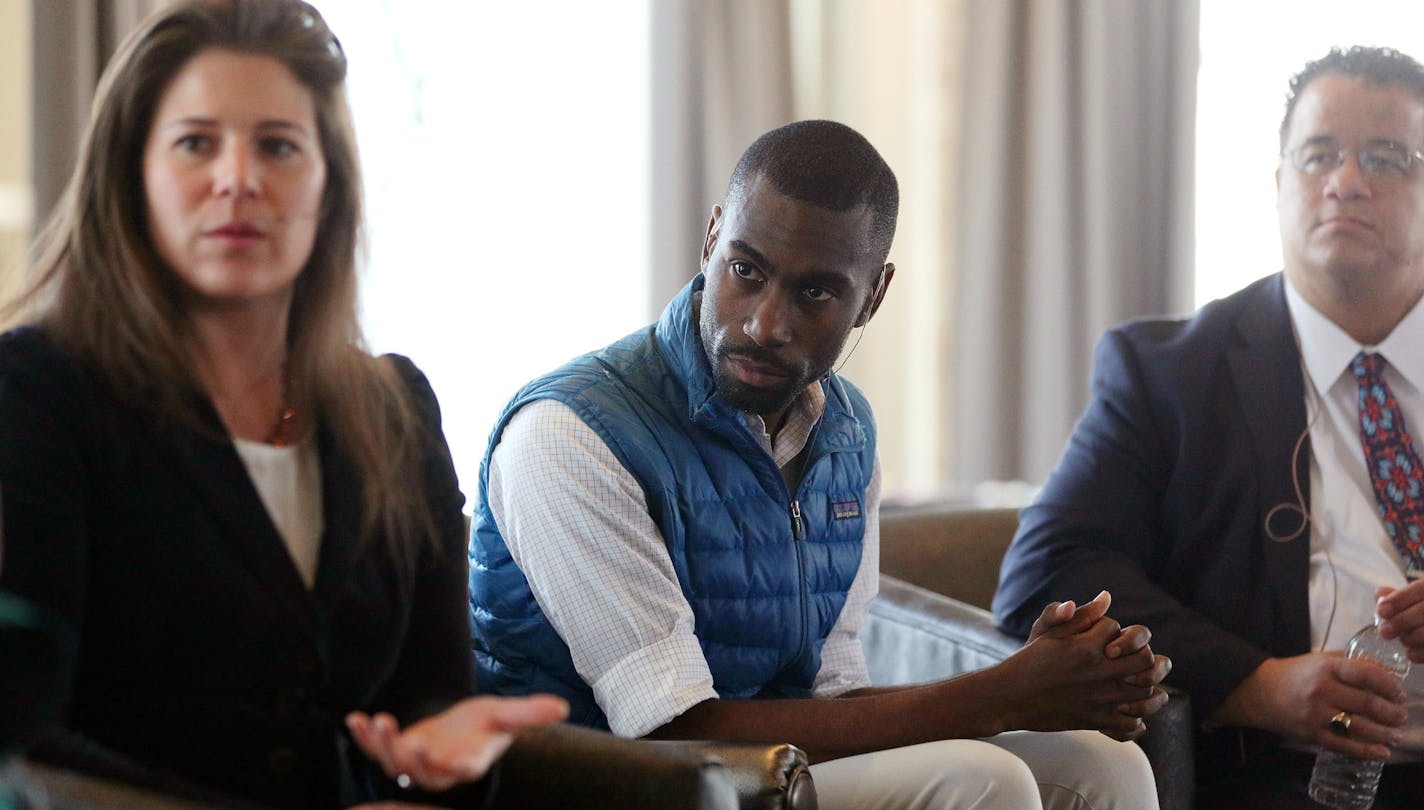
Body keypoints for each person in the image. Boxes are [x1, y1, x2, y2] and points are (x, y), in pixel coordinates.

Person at [470, 119, 1171, 809]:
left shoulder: (846, 431)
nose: (764, 324)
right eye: (746, 271)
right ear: (712, 237)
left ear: (872, 296)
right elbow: (672, 728)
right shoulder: (570, 434)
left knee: (1101, 764)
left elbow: (833, 696)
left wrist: (1037, 687)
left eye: (815, 293)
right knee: (985, 783)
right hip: (608, 784)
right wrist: (1002, 694)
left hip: (771, 778)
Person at [0, 2, 567, 807]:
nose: (240, 178)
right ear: (133, 175)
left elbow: (433, 700)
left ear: (328, 184)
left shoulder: (395, 411)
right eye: (197, 143)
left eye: (278, 146)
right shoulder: (37, 393)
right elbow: (25, 735)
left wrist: (430, 763)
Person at [994, 45, 1424, 808]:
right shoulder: (1169, 375)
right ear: (1280, 182)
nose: (1346, 183)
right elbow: (1048, 568)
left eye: (1387, 157)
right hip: (1288, 777)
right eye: (1319, 154)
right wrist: (1255, 684)